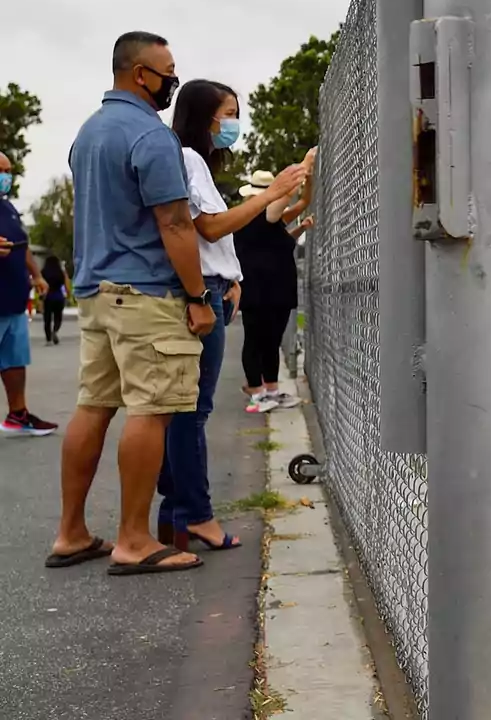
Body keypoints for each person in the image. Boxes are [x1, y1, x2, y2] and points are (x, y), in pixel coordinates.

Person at [47, 31, 217, 577]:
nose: (172, 79)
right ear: (140, 74)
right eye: (167, 71)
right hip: (145, 293)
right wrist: (197, 297)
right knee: (153, 410)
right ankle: (134, 539)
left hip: (97, 290)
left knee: (94, 405)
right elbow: (174, 222)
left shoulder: (89, 133)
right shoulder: (150, 135)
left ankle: (71, 532)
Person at [157, 79, 308, 552]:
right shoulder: (187, 158)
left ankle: (175, 514)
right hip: (202, 292)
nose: (233, 123)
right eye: (228, 113)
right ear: (205, 116)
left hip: (219, 286)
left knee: (187, 409)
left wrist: (232, 275)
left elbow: (212, 236)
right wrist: (272, 192)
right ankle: (192, 513)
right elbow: (208, 225)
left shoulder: (195, 161)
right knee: (191, 410)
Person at [234, 157, 314, 414]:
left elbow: (303, 202)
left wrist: (309, 179)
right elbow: (283, 200)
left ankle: (270, 389)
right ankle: (256, 392)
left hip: (277, 288)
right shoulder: (256, 216)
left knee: (272, 341)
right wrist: (303, 165)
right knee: (256, 339)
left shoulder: (272, 221)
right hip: (258, 288)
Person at [0, 151, 57, 436]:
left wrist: (36, 275)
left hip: (12, 301)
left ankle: (17, 415)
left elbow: (22, 245)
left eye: (8, 171)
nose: (6, 177)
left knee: (14, 361)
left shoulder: (8, 208)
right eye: (1, 170)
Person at [41, 255, 71, 346]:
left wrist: (40, 297)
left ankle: (48, 339)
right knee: (58, 317)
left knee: (47, 319)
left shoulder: (43, 272)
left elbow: (40, 285)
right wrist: (68, 294)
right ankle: (55, 330)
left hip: (48, 297)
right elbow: (67, 284)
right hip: (58, 297)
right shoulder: (61, 272)